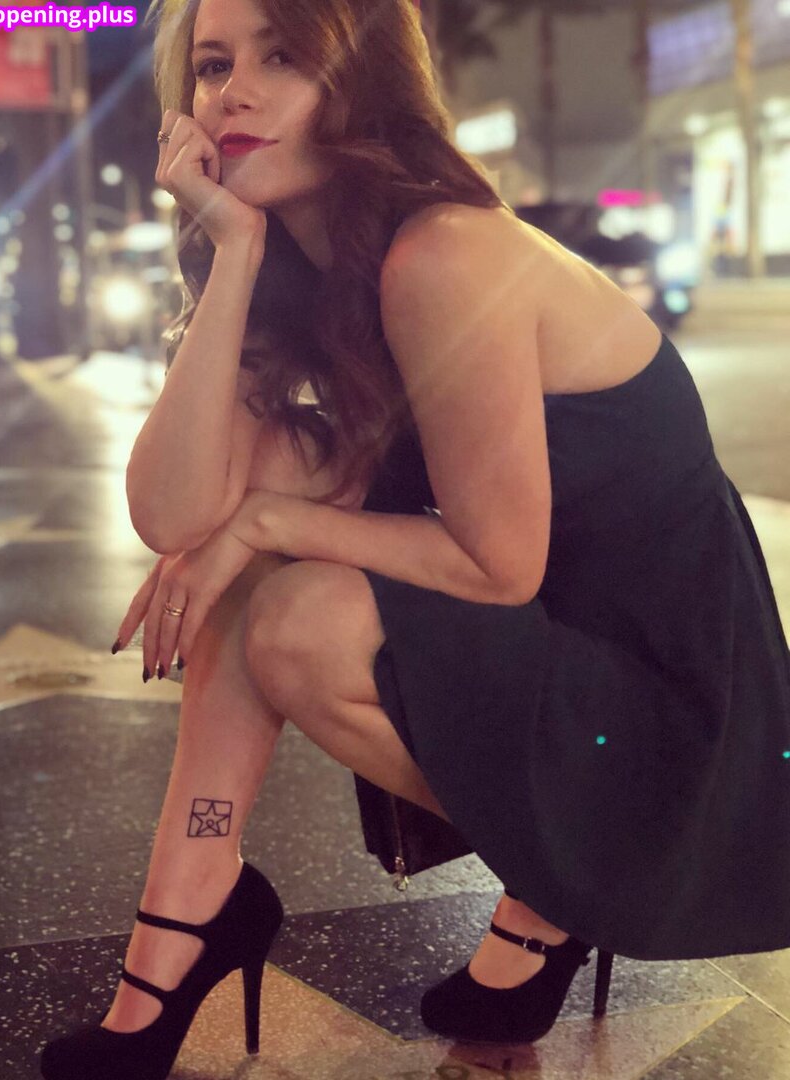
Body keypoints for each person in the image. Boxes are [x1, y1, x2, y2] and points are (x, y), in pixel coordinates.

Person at [40, 0, 790, 1075]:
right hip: (561, 665)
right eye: (210, 66)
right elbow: (171, 514)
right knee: (262, 500)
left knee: (295, 610)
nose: (233, 92)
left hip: (679, 743)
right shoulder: (308, 268)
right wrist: (235, 251)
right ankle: (189, 902)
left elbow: (498, 565)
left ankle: (572, 871)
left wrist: (263, 524)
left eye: (283, 56)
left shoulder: (443, 254)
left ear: (363, 81)